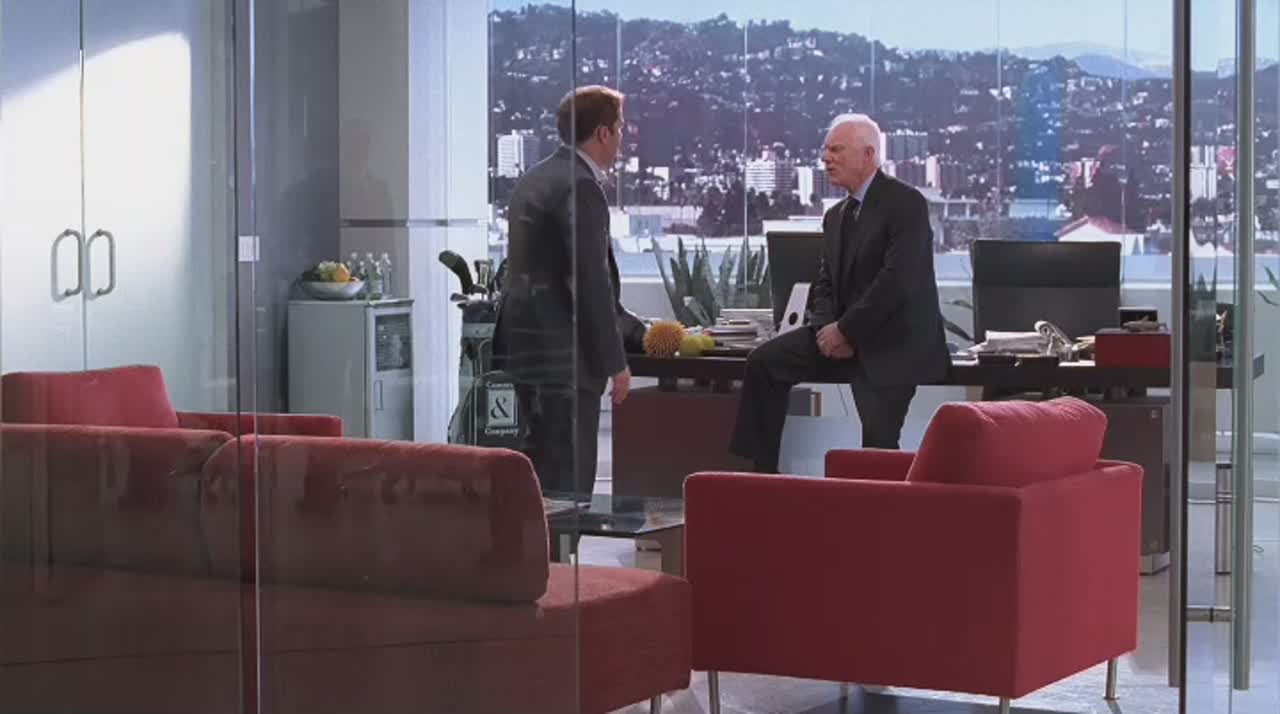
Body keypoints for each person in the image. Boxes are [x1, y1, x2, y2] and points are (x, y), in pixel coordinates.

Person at [729, 113, 949, 473]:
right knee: (764, 363)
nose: (825, 158)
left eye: (836, 150)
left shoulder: (905, 203)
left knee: (877, 444)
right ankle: (762, 476)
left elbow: (897, 281)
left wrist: (847, 331)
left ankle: (876, 499)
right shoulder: (836, 216)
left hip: (891, 341)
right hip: (838, 334)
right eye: (825, 150)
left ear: (869, 154)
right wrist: (827, 330)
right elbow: (825, 284)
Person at [493, 85, 632, 498]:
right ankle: (558, 545)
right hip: (562, 358)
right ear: (603, 133)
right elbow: (589, 281)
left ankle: (539, 544)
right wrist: (615, 362)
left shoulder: (535, 178)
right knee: (568, 489)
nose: (622, 138)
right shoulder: (580, 186)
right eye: (620, 128)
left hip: (525, 351)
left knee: (537, 480)